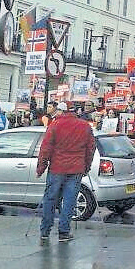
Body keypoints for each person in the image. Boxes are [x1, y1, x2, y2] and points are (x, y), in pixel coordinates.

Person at [36, 102, 95, 243]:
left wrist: (41, 167)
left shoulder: (55, 125)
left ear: (61, 111)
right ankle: (64, 231)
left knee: (50, 198)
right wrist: (86, 166)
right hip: (76, 168)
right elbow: (90, 149)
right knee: (69, 200)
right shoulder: (85, 126)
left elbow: (46, 149)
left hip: (57, 168)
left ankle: (45, 230)